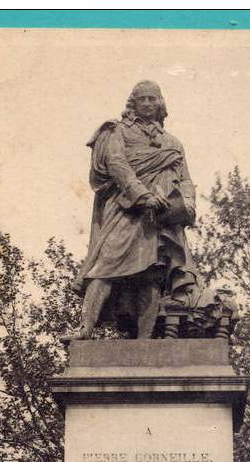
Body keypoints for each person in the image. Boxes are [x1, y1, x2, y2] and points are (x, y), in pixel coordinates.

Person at [67, 80, 199, 339]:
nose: (148, 104)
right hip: (126, 209)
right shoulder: (118, 132)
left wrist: (188, 203)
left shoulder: (172, 142)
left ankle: (144, 339)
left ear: (160, 103)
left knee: (151, 275)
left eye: (153, 99)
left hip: (159, 217)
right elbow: (116, 164)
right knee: (104, 266)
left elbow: (184, 178)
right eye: (143, 99)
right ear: (133, 103)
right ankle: (86, 329)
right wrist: (143, 195)